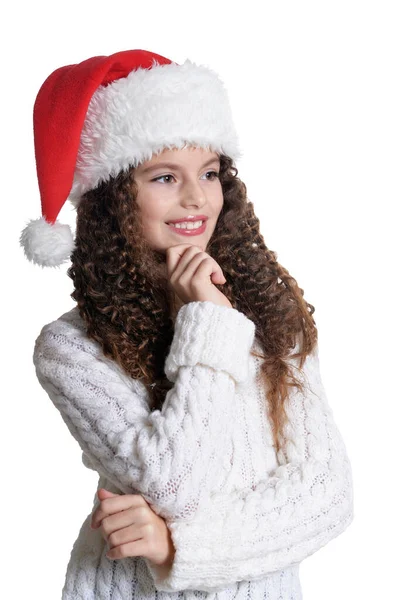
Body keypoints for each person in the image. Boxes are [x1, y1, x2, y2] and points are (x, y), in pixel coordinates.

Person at [20, 49, 354, 599]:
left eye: (209, 172)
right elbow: (176, 485)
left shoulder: (272, 317)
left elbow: (326, 492)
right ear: (113, 196)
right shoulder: (71, 348)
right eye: (165, 176)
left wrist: (179, 549)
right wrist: (205, 322)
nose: (197, 197)